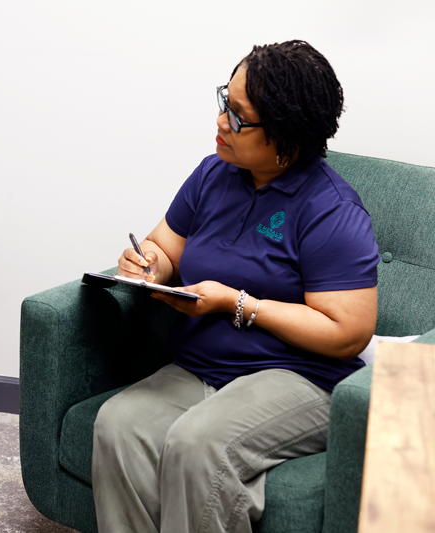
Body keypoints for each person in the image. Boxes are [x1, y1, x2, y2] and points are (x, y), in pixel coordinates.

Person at [92, 41, 379, 533]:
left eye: (240, 118)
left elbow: (348, 331)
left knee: (200, 443)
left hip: (300, 379)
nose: (223, 122)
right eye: (227, 101)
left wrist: (238, 303)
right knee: (119, 425)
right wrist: (149, 266)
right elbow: (165, 246)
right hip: (203, 367)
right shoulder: (213, 174)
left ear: (285, 139)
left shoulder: (331, 210)